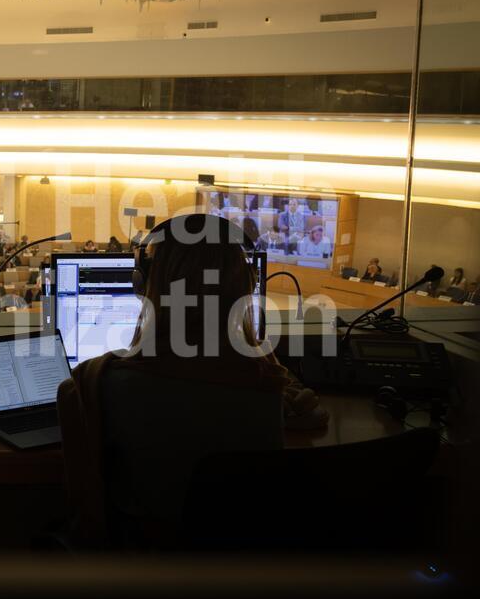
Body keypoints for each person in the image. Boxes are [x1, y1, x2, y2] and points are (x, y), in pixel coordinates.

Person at [56, 213, 326, 547]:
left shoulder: (96, 384)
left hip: (139, 564)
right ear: (246, 287)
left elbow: (82, 504)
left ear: (143, 284)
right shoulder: (268, 387)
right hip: (240, 565)